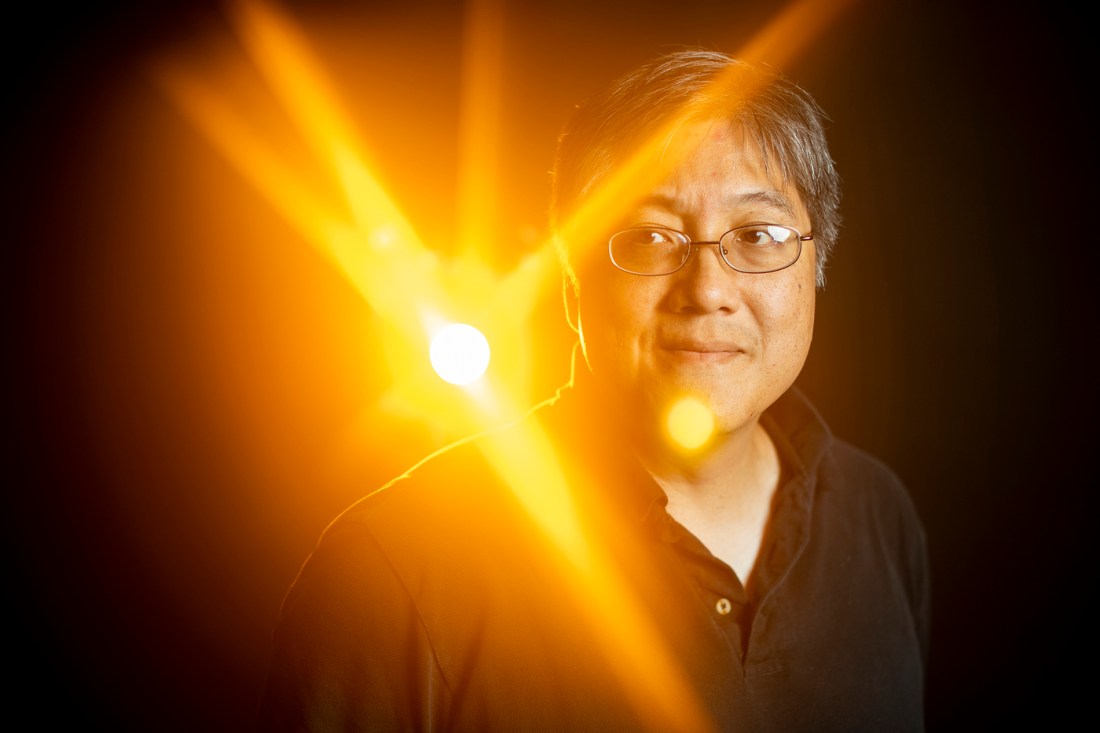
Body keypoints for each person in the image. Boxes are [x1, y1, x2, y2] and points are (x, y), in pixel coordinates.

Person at [257, 49, 929, 732]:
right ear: (572, 274)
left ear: (819, 261)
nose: (708, 292)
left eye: (758, 234)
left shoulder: (879, 516)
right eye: (649, 236)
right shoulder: (390, 573)